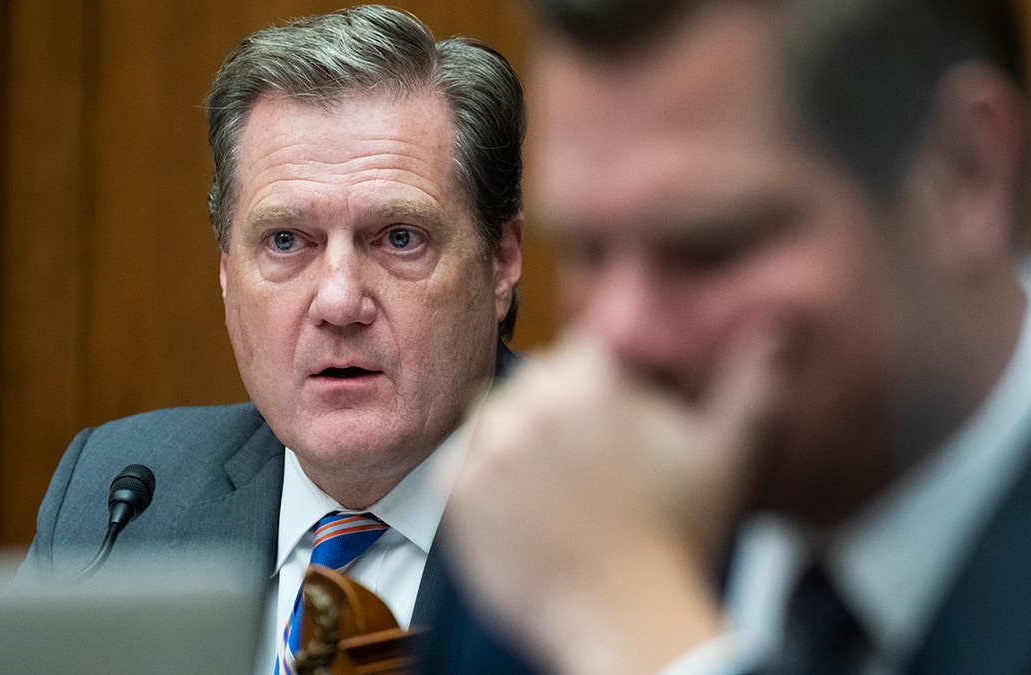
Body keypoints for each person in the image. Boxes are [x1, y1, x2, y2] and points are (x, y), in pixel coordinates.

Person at [422, 0, 1031, 673]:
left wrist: (641, 639)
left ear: (964, 172)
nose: (620, 334)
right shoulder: (536, 523)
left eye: (709, 249)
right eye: (590, 252)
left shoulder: (592, 579)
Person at [16, 5, 524, 674]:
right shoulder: (116, 503)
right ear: (227, 270)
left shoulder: (629, 512)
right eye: (286, 240)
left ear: (501, 260)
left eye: (399, 237)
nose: (339, 300)